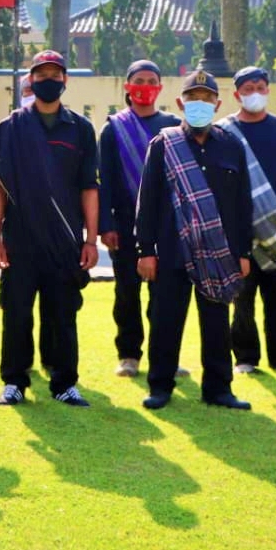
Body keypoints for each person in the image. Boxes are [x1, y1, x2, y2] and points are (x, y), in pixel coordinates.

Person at [133, 70, 255, 411]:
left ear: (217, 104)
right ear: (180, 103)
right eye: (193, 98)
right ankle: (160, 386)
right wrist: (146, 251)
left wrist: (243, 251)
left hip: (218, 253)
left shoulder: (231, 145)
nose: (199, 104)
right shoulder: (164, 143)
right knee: (165, 321)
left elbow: (243, 203)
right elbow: (149, 202)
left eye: (206, 98)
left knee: (217, 324)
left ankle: (219, 389)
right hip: (172, 251)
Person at [0, 50, 101, 406]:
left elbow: (89, 188)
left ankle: (64, 382)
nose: (48, 80)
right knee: (16, 313)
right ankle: (14, 382)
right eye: (41, 74)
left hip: (64, 241)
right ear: (30, 80)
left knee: (62, 316)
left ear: (65, 80)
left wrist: (91, 241)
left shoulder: (80, 129)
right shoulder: (12, 127)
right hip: (20, 240)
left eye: (55, 74)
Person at [99, 60, 182, 377]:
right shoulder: (112, 129)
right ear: (127, 87)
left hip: (167, 226)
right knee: (127, 292)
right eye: (139, 81)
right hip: (124, 226)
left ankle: (165, 358)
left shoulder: (174, 126)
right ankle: (129, 354)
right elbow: (103, 180)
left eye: (151, 81)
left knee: (165, 297)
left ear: (160, 88)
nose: (145, 86)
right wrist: (105, 226)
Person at [217, 66, 276, 375]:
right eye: (248, 88)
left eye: (260, 87)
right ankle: (246, 357)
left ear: (268, 90)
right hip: (240, 228)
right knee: (242, 298)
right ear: (237, 94)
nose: (255, 93)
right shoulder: (224, 132)